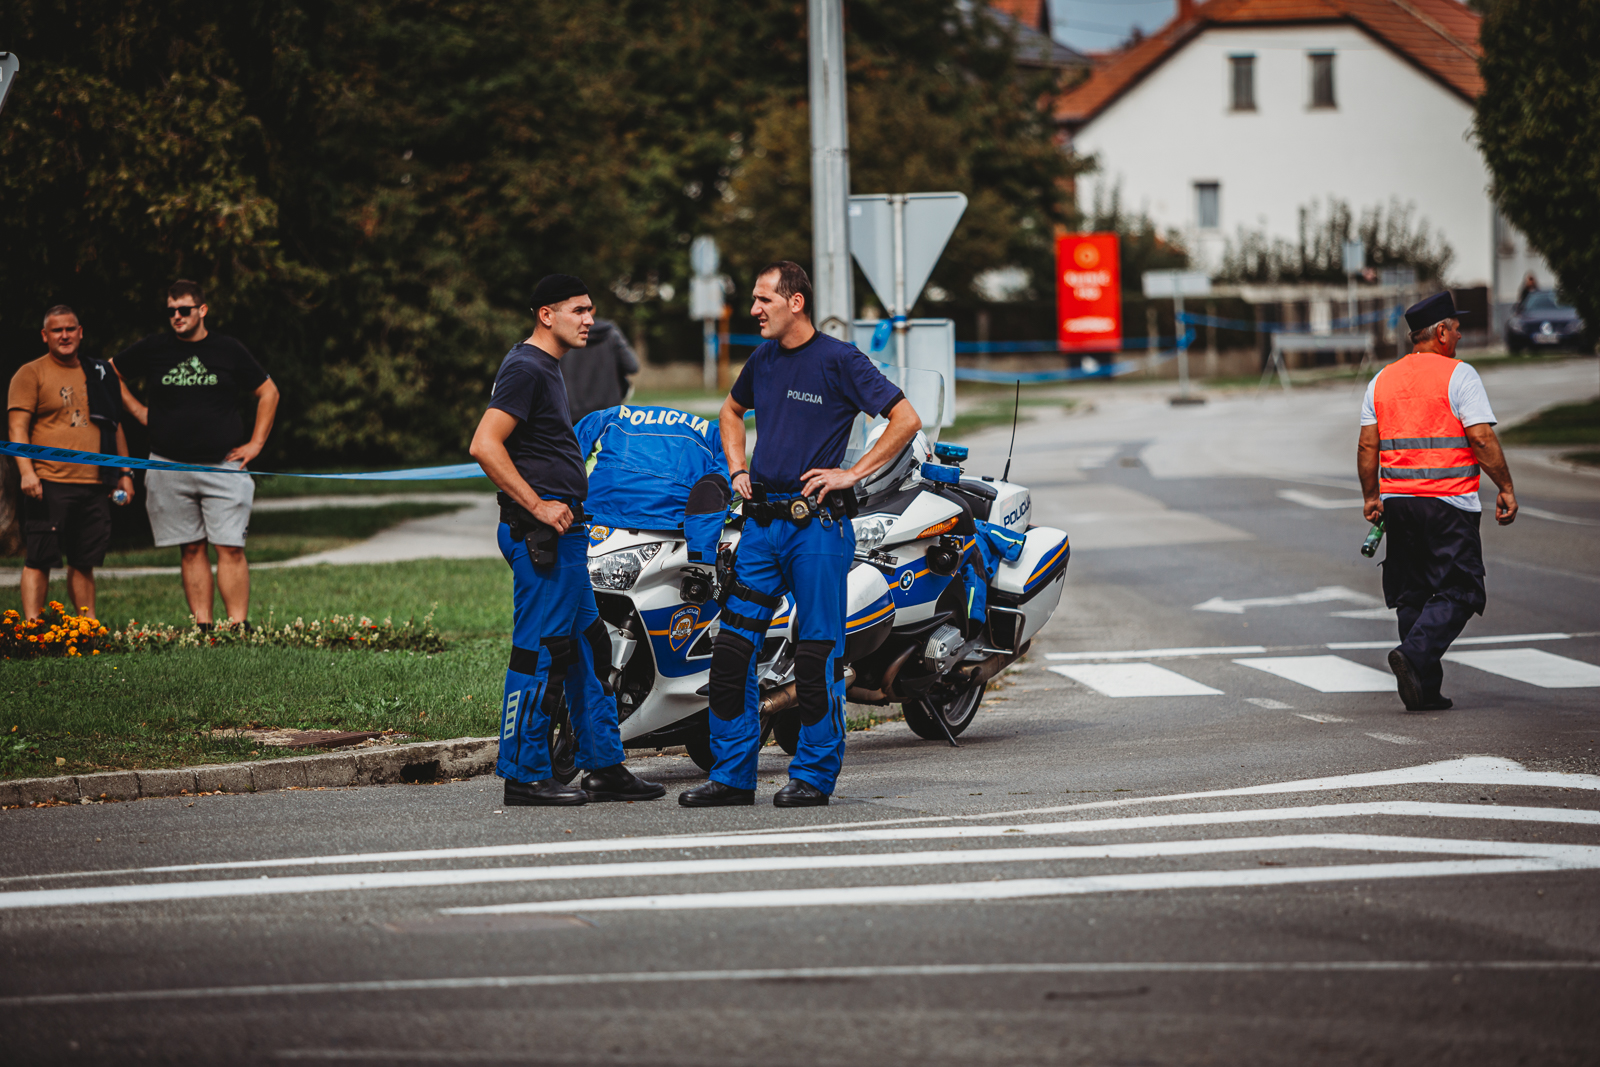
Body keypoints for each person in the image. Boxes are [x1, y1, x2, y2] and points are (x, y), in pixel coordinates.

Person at [681, 261, 921, 808]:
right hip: (760, 531)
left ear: (796, 303)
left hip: (816, 530)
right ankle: (732, 776)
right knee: (733, 653)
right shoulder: (763, 360)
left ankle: (812, 774)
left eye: (764, 298)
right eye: (753, 299)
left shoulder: (839, 360)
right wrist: (737, 468)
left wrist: (853, 472)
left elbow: (905, 418)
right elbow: (731, 412)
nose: (754, 310)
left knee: (816, 658)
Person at [468, 274, 666, 808]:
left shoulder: (548, 366)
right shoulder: (526, 367)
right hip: (542, 540)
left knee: (587, 651)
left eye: (591, 310)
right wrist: (537, 505)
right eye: (578, 310)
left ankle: (604, 765)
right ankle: (522, 773)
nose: (589, 319)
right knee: (539, 655)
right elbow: (485, 445)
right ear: (545, 314)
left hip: (567, 537)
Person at [1358, 290, 1517, 712]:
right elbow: (1480, 438)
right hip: (1448, 503)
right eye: (1457, 328)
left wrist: (1372, 496)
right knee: (1462, 589)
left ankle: (1424, 690)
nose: (1461, 335)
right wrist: (1505, 486)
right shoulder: (1459, 376)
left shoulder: (1382, 380)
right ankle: (1414, 655)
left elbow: (1366, 447)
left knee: (1413, 594)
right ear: (1441, 332)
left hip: (1399, 505)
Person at [112, 281, 279, 629]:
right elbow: (109, 372)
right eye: (171, 311)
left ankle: (237, 626)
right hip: (168, 464)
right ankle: (202, 626)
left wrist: (256, 444)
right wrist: (141, 412)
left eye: (184, 310)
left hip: (223, 466)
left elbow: (268, 392)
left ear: (202, 310)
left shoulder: (227, 350)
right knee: (189, 548)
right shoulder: (155, 347)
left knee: (230, 547)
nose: (176, 316)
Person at [7, 305, 136, 619]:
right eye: (56, 330)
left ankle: (86, 628)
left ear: (80, 332)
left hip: (94, 483)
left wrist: (125, 473)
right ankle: (32, 629)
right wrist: (27, 472)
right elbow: (17, 428)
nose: (64, 335)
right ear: (44, 336)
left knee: (84, 560)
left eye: (70, 329)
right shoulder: (31, 373)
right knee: (39, 558)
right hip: (48, 481)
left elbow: (113, 425)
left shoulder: (100, 372)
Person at [560, 318, 639, 421]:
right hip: (609, 413)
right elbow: (632, 366)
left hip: (572, 413)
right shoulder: (611, 333)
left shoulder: (561, 335)